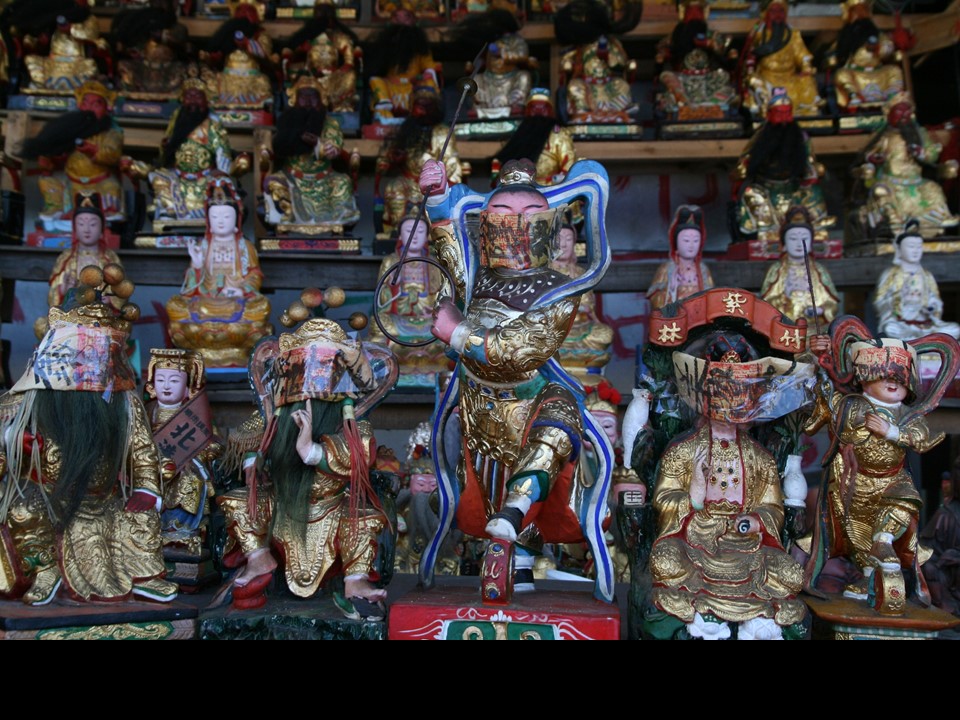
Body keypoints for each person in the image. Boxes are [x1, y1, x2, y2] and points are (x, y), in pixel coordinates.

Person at [419, 156, 614, 600]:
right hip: (478, 400)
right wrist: (437, 201)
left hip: (530, 393)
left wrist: (459, 333)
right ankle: (510, 553)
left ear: (548, 224)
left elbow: (523, 347)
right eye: (504, 214)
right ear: (486, 222)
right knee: (481, 480)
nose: (517, 226)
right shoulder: (477, 276)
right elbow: (450, 258)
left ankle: (515, 514)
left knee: (559, 421)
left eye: (529, 215)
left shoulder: (560, 287)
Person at [0, 294, 176, 605]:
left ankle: (145, 576)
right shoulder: (29, 397)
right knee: (23, 511)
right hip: (49, 494)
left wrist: (147, 488)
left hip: (105, 496)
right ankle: (46, 570)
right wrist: (15, 442)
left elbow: (142, 450)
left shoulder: (124, 400)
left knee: (141, 515)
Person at [217, 317, 398, 619]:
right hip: (281, 503)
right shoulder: (276, 413)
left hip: (332, 506)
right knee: (238, 502)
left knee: (364, 520)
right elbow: (249, 436)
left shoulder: (352, 421)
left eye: (325, 369)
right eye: (306, 368)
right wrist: (252, 460)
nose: (314, 380)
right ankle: (258, 557)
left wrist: (311, 451)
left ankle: (356, 581)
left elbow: (360, 454)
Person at [649, 330, 809, 639]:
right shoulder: (684, 450)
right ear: (704, 397)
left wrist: (756, 521)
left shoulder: (760, 458)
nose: (729, 405)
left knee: (791, 574)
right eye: (721, 395)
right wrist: (695, 496)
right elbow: (664, 499)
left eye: (738, 396)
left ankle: (735, 618)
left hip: (746, 543)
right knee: (664, 562)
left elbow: (772, 506)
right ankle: (727, 617)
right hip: (695, 540)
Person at [803, 318, 960, 613]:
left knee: (904, 505)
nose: (893, 383)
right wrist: (818, 358)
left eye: (900, 380)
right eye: (884, 376)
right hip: (854, 484)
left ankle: (885, 540)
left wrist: (891, 432)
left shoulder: (907, 414)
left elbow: (920, 439)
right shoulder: (850, 404)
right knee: (857, 536)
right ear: (863, 377)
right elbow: (821, 398)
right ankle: (868, 578)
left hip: (892, 480)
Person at [165, 178, 272, 367]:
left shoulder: (245, 246)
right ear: (209, 221)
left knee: (261, 307)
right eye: (215, 217)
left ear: (237, 219)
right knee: (175, 307)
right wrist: (197, 265)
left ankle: (235, 347)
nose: (220, 221)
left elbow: (254, 275)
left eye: (226, 217)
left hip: (236, 301)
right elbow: (191, 287)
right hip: (205, 300)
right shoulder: (203, 246)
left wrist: (240, 290)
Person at [143, 348, 222, 554]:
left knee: (191, 479)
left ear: (187, 388)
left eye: (174, 381)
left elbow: (214, 442)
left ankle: (182, 528)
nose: (166, 386)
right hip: (152, 463)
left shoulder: (195, 414)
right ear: (152, 385)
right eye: (161, 380)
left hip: (186, 463)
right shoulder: (147, 412)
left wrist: (199, 453)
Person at [262, 75, 360, 231]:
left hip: (324, 179)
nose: (308, 101)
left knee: (343, 182)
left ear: (321, 100)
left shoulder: (330, 123)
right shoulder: (288, 122)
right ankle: (286, 217)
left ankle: (338, 221)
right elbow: (279, 147)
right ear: (295, 99)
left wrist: (317, 144)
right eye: (303, 97)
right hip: (292, 178)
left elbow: (334, 149)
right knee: (273, 183)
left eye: (313, 97)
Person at [874, 220, 960, 340]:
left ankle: (920, 341)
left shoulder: (927, 276)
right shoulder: (890, 275)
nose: (916, 251)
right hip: (901, 324)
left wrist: (931, 306)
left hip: (926, 324)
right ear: (899, 249)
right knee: (890, 329)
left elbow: (936, 301)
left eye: (919, 247)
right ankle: (921, 342)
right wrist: (898, 298)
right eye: (911, 246)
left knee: (954, 329)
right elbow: (879, 302)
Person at [760, 206, 840, 324]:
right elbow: (766, 302)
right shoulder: (776, 270)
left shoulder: (818, 270)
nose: (799, 244)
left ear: (811, 244)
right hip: (785, 328)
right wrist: (784, 301)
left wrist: (820, 310)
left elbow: (832, 303)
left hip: (814, 327)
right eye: (793, 239)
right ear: (784, 244)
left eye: (804, 239)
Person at [47, 192, 122, 311]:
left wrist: (111, 300)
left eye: (93, 224)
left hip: (101, 313)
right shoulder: (66, 258)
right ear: (75, 229)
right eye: (81, 224)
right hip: (72, 312)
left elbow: (122, 289)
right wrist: (63, 289)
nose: (87, 229)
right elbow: (52, 295)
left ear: (102, 230)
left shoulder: (110, 258)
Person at [646, 204, 714, 311]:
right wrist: (670, 290)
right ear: (676, 242)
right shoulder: (667, 268)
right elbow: (654, 299)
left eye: (696, 240)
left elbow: (712, 298)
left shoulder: (703, 270)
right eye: (686, 240)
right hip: (677, 317)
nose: (691, 245)